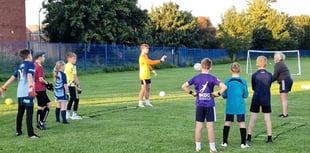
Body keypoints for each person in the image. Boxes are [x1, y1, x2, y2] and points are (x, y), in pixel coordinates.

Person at [182, 58, 227, 153]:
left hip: (199, 105)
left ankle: (198, 147)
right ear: (210, 67)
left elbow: (184, 86)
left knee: (199, 126)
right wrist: (217, 94)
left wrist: (192, 93)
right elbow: (224, 87)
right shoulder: (212, 78)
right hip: (209, 105)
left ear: (201, 66)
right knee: (210, 127)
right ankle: (212, 149)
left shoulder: (196, 78)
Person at [0, 49, 39, 138]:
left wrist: (3, 87)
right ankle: (31, 134)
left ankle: (18, 131)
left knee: (20, 112)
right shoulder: (31, 64)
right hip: (27, 93)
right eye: (31, 54)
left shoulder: (20, 66)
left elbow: (12, 77)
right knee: (29, 112)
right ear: (29, 56)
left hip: (20, 93)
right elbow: (29, 75)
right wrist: (30, 89)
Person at [221, 62, 249, 149]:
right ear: (240, 70)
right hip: (240, 105)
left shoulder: (227, 81)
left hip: (230, 105)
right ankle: (243, 144)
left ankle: (225, 142)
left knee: (227, 122)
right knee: (242, 123)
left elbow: (224, 94)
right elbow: (246, 95)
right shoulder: (243, 81)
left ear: (230, 70)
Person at [246, 56, 273, 144]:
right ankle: (269, 138)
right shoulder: (269, 75)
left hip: (256, 97)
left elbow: (254, 87)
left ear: (257, 63)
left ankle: (248, 137)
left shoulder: (254, 75)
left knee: (253, 117)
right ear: (265, 63)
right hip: (266, 97)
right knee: (267, 118)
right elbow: (269, 85)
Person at [138, 43, 167, 108]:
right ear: (142, 49)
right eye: (146, 48)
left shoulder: (145, 56)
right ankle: (140, 103)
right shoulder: (142, 57)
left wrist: (152, 70)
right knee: (143, 89)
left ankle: (147, 102)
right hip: (143, 75)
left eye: (148, 48)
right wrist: (160, 60)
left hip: (147, 75)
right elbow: (149, 62)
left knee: (148, 89)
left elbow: (147, 65)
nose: (148, 50)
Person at [33, 51, 53, 130]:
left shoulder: (34, 65)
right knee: (41, 107)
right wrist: (47, 83)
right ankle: (40, 123)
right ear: (39, 57)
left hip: (38, 89)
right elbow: (40, 79)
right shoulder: (39, 66)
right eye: (43, 56)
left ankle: (41, 121)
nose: (44, 58)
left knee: (48, 104)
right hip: (40, 89)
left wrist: (46, 85)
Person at [272, 52, 293, 118]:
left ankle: (284, 114)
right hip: (287, 80)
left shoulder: (278, 64)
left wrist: (268, 81)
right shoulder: (281, 64)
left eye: (275, 57)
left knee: (283, 98)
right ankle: (285, 113)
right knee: (284, 98)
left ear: (278, 58)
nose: (274, 58)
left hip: (284, 81)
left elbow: (275, 76)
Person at [65, 52, 82, 120]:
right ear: (69, 58)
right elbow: (75, 77)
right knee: (76, 99)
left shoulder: (66, 65)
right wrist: (78, 86)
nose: (75, 60)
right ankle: (74, 115)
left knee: (71, 99)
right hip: (72, 85)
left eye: (75, 58)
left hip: (67, 85)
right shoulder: (73, 66)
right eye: (73, 58)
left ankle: (67, 114)